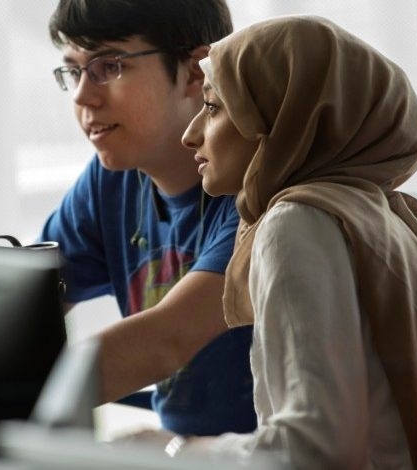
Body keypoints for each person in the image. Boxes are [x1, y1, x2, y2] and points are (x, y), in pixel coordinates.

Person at [177, 16, 417, 469]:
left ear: (285, 117)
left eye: (212, 107)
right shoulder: (384, 212)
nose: (190, 134)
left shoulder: (296, 224)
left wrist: (177, 451)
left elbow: (313, 450)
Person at [38, 0, 257, 437]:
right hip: (187, 450)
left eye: (108, 66)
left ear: (196, 71)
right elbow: (31, 297)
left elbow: (166, 339)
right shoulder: (110, 181)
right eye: (73, 71)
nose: (83, 95)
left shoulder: (257, 191)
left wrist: (13, 390)